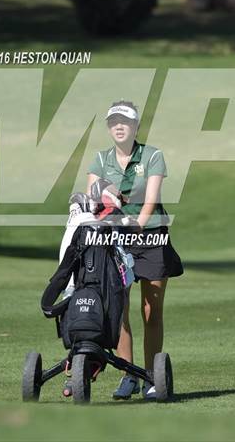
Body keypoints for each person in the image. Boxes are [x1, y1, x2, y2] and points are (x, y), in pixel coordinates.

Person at [86, 100, 183, 401]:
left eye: (125, 121)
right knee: (120, 309)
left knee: (151, 310)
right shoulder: (100, 160)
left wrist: (138, 224)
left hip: (151, 236)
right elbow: (94, 198)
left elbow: (151, 198)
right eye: (114, 121)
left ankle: (153, 379)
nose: (119, 126)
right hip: (115, 240)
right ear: (108, 126)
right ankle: (130, 374)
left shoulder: (152, 156)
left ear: (135, 126)